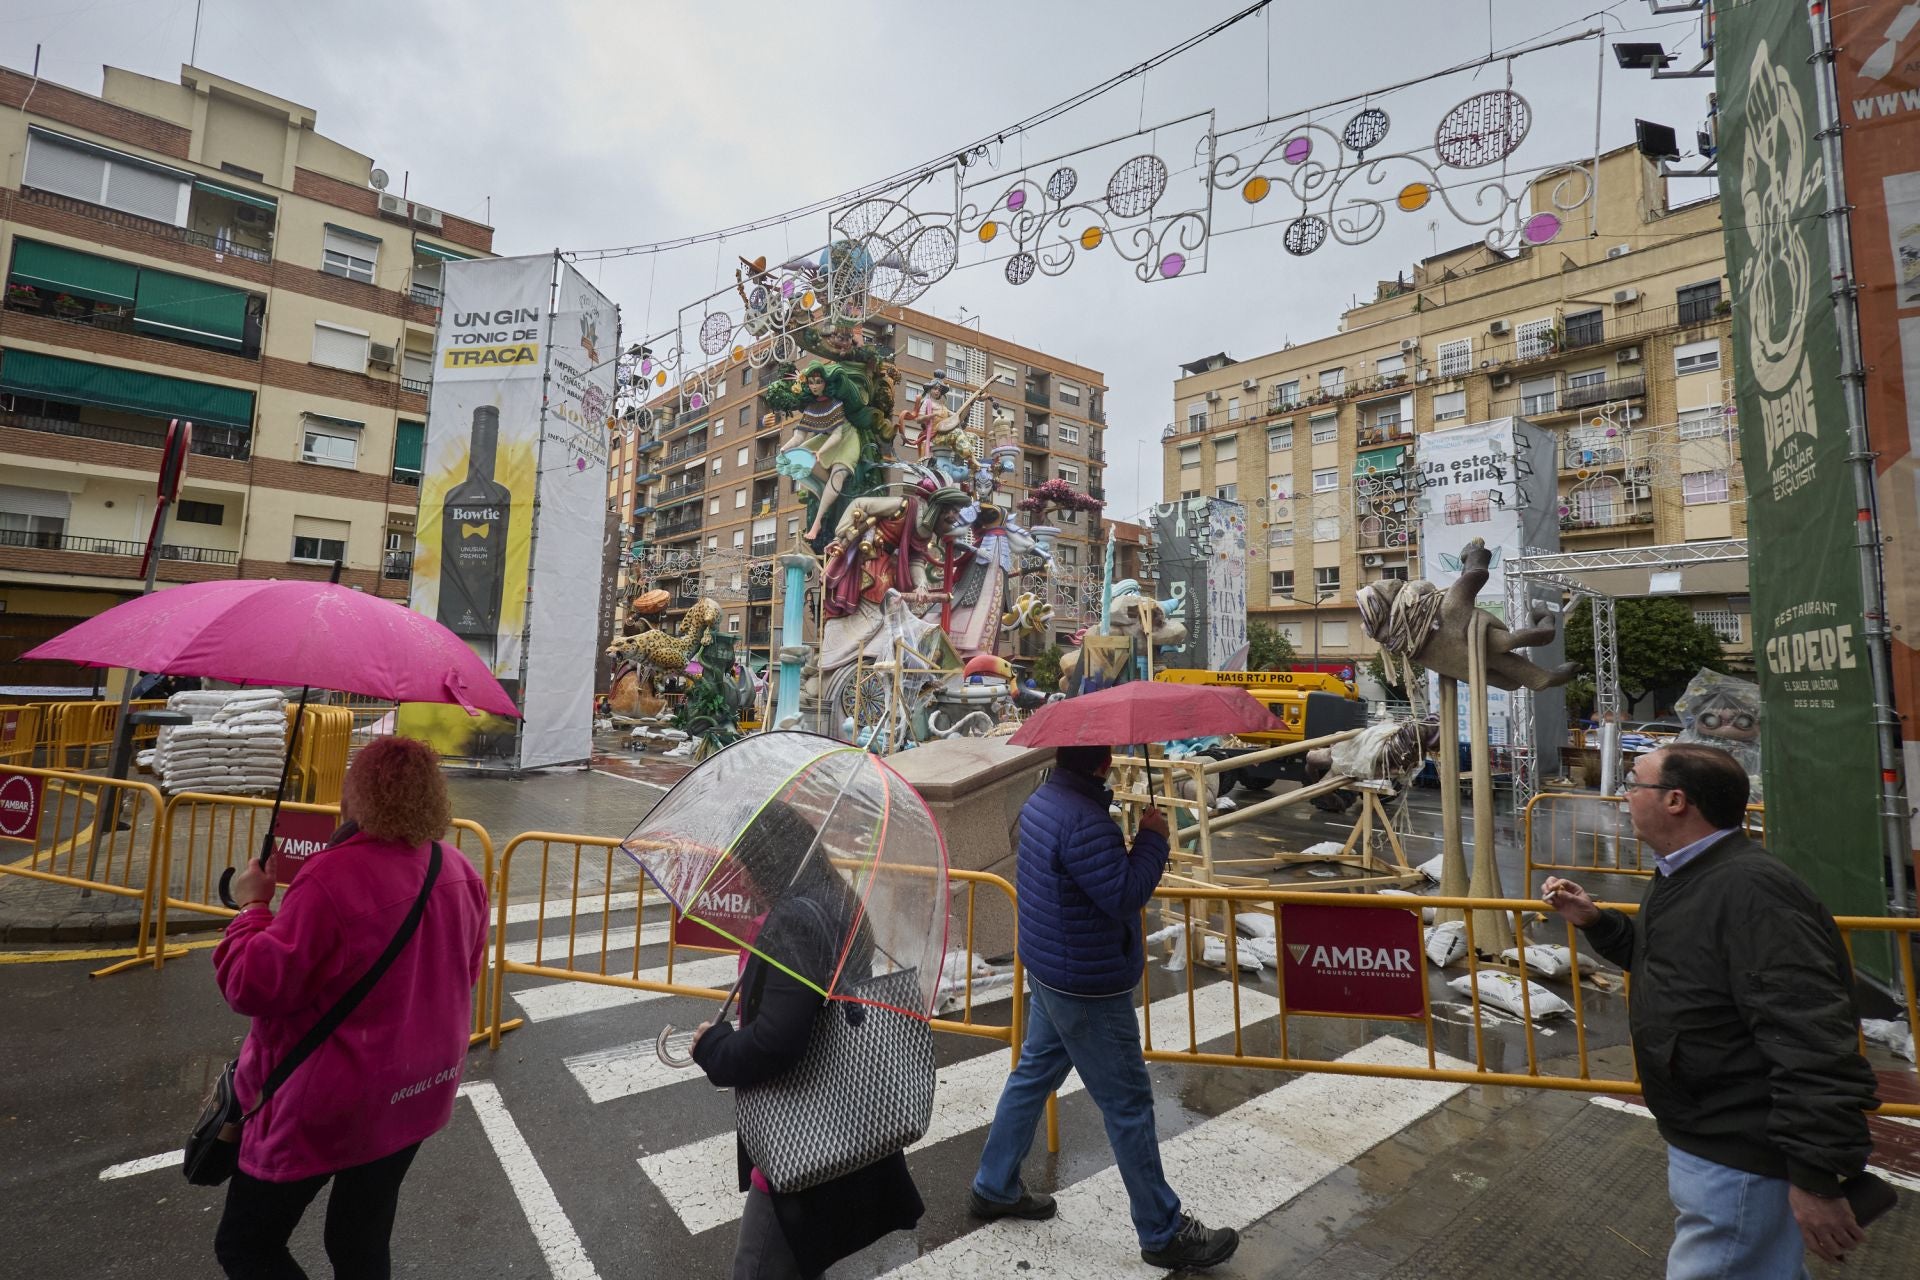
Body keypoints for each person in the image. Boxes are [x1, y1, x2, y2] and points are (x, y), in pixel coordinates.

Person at [1542, 744, 1879, 1278]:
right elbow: (1672, 968)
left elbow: (1809, 1036)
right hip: (1713, 1136)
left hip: (1741, 1151)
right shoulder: (1685, 873)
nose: (1624, 796)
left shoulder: (1752, 891)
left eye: (1635, 783)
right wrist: (1595, 921)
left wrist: (1815, 1176)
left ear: (1676, 800)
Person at [211, 736, 489, 1278]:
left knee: (248, 1245)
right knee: (359, 1242)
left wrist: (252, 906)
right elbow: (464, 972)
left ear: (356, 794)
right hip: (417, 1093)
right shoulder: (458, 870)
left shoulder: (331, 877)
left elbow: (253, 985)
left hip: (329, 1104)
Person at [969, 745, 1240, 1271]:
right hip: (1087, 984)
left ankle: (994, 1183)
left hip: (1052, 968)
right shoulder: (1086, 821)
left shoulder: (1043, 800)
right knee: (1129, 1105)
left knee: (1032, 1076)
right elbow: (1124, 895)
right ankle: (1162, 1230)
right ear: (1102, 761)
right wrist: (1154, 842)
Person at [690, 800, 924, 1279]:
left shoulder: (794, 923)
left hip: (799, 1130)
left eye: (745, 867)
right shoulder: (837, 898)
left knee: (759, 1268)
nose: (742, 880)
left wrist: (712, 1048)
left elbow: (778, 1040)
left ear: (770, 863)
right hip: (840, 1117)